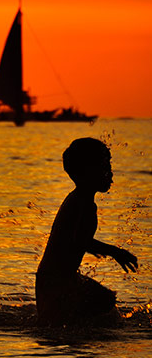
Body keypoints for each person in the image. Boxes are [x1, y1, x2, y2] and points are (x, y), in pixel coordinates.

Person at [35, 138, 138, 326]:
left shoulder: (78, 199)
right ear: (87, 171)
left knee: (101, 303)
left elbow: (77, 242)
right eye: (104, 166)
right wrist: (117, 253)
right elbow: (81, 242)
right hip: (57, 281)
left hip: (53, 278)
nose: (111, 173)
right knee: (101, 308)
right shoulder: (83, 203)